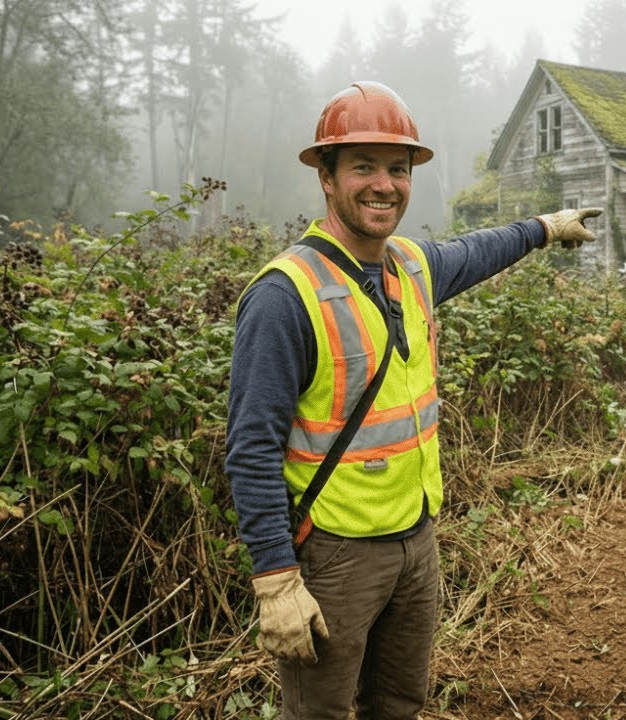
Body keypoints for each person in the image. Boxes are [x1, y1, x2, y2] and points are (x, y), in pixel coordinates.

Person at [224, 81, 601, 719]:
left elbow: (478, 250)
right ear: (326, 176)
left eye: (398, 170)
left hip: (416, 540)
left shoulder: (412, 267)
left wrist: (543, 228)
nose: (385, 185)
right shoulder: (285, 295)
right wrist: (275, 579)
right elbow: (251, 446)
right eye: (363, 167)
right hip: (334, 553)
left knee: (400, 703)